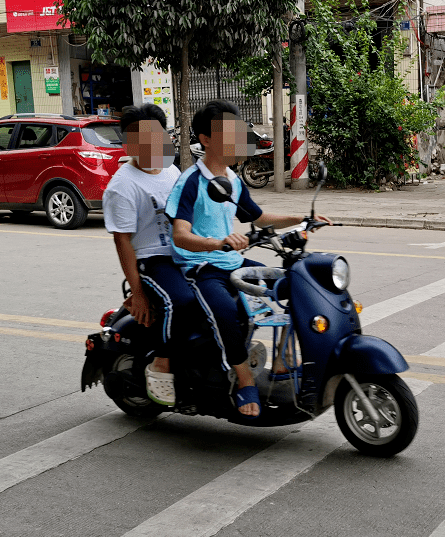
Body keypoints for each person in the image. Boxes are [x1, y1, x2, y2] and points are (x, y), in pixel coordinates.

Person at [166, 100, 330, 418]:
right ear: (206, 139)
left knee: (294, 285)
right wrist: (220, 241)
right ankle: (245, 383)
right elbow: (180, 235)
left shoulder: (233, 179)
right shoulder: (191, 182)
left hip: (230, 262)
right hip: (200, 267)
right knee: (226, 311)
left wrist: (303, 218)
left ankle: (283, 363)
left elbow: (258, 216)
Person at [102, 104, 199, 406]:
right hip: (151, 259)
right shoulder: (123, 184)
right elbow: (123, 242)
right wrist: (139, 291)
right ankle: (162, 363)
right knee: (180, 301)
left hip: (182, 253)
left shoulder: (172, 171)